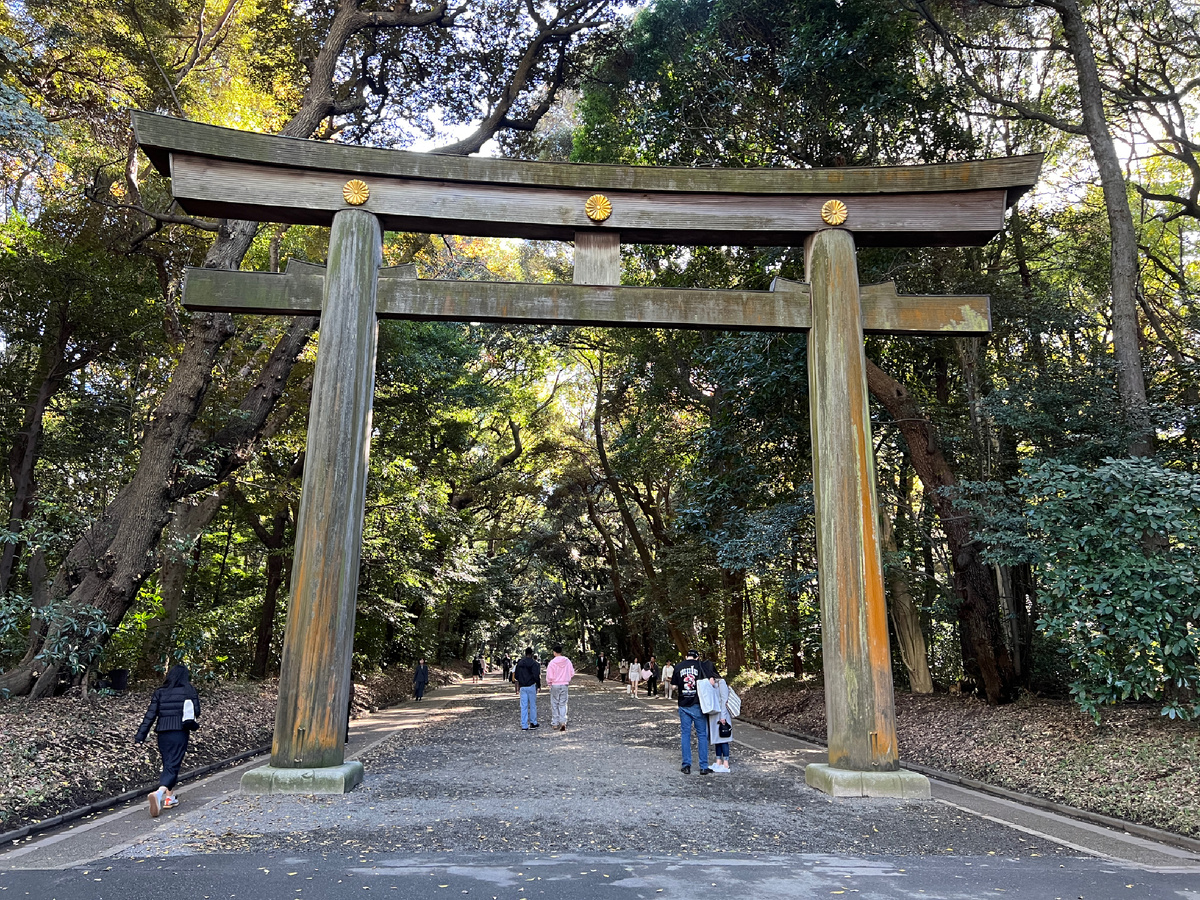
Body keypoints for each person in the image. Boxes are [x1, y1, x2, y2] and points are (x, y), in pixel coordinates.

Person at [134, 664, 201, 817]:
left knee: (168, 763)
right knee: (173, 764)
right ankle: (159, 793)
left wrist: (140, 736)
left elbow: (150, 715)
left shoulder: (160, 692)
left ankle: (169, 798)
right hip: (180, 731)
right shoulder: (188, 690)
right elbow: (197, 711)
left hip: (162, 733)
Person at [671, 649, 716, 775]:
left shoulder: (678, 666)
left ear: (686, 656)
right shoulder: (701, 665)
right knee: (702, 735)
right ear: (697, 657)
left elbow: (673, 686)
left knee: (685, 734)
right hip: (698, 705)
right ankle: (703, 766)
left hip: (683, 704)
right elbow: (712, 682)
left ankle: (686, 765)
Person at [706, 668, 735, 773]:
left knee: (723, 739)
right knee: (716, 739)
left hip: (722, 714)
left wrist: (723, 716)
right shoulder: (712, 683)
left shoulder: (722, 682)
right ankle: (718, 760)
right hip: (714, 714)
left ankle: (726, 762)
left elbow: (724, 699)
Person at [546, 643, 576, 731]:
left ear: (554, 652)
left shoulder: (552, 662)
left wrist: (549, 683)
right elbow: (572, 673)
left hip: (555, 684)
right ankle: (563, 722)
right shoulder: (567, 661)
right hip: (564, 684)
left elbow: (549, 675)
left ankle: (555, 723)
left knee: (554, 703)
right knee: (563, 703)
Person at [514, 647, 541, 729]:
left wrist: (520, 683)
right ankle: (533, 722)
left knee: (523, 706)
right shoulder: (534, 664)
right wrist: (539, 685)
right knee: (533, 705)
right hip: (531, 685)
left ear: (525, 653)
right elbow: (536, 676)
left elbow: (516, 675)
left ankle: (524, 724)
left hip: (522, 686)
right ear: (532, 654)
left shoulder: (520, 663)